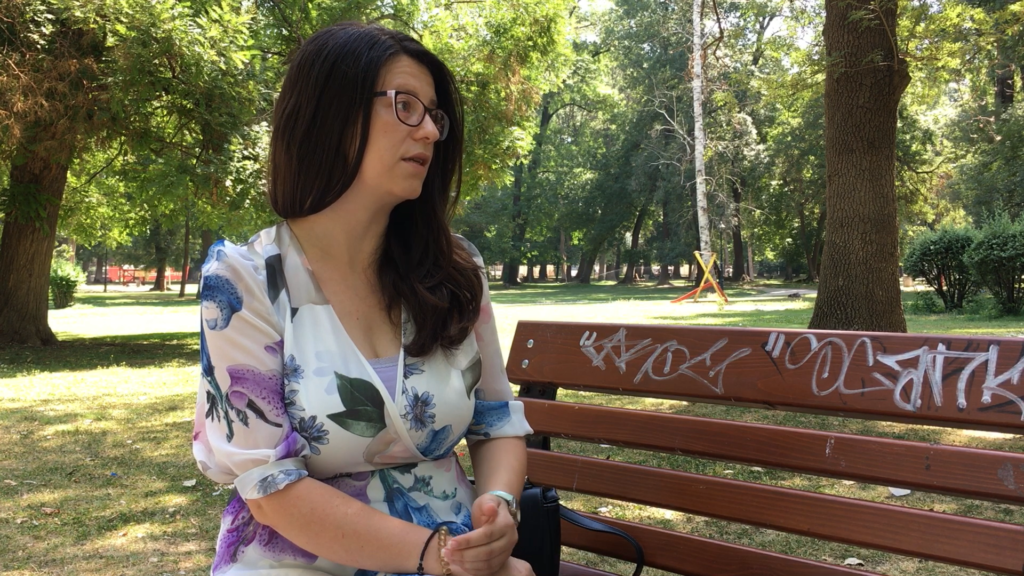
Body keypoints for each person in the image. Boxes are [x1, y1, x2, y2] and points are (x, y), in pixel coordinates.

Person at [193, 21, 534, 576]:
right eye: (406, 106)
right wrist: (439, 559)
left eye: (434, 115)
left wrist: (499, 507)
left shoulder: (455, 269)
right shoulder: (244, 279)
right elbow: (269, 485)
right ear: (331, 114)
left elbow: (496, 420)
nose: (430, 131)